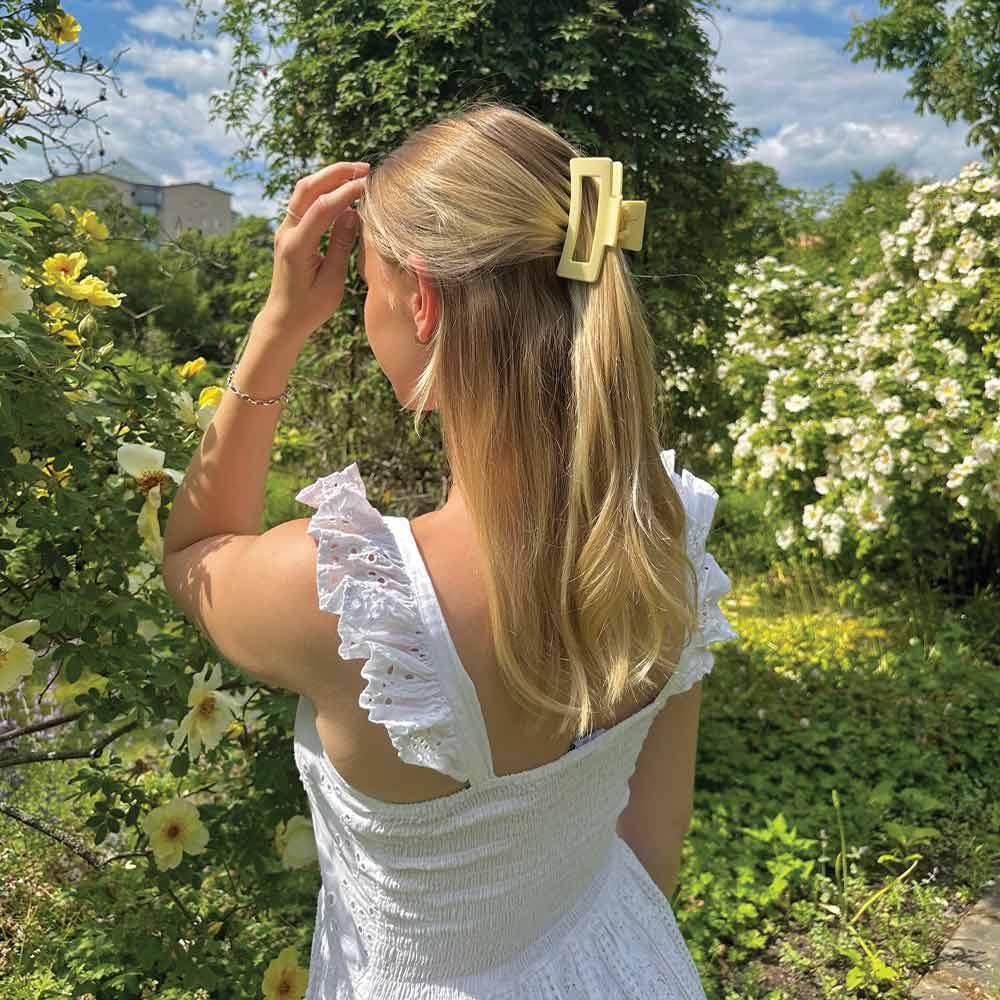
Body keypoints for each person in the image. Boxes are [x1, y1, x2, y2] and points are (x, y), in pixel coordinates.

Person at [164, 98, 738, 999]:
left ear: (423, 300)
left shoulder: (341, 600)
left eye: (368, 289)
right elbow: (654, 843)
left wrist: (279, 325)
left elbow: (193, 552)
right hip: (623, 959)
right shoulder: (671, 531)